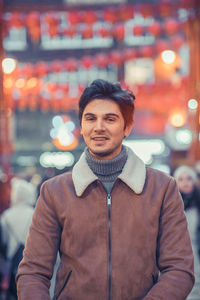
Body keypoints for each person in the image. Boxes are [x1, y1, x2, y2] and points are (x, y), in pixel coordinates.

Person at [17, 79, 194, 300]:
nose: (98, 127)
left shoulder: (162, 188)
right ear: (81, 127)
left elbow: (179, 269)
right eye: (90, 118)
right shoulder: (55, 191)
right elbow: (33, 272)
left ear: (127, 127)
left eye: (110, 119)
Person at [0, 178, 36, 299]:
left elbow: (3, 242)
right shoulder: (35, 213)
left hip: (11, 264)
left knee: (12, 294)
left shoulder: (6, 216)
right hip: (31, 262)